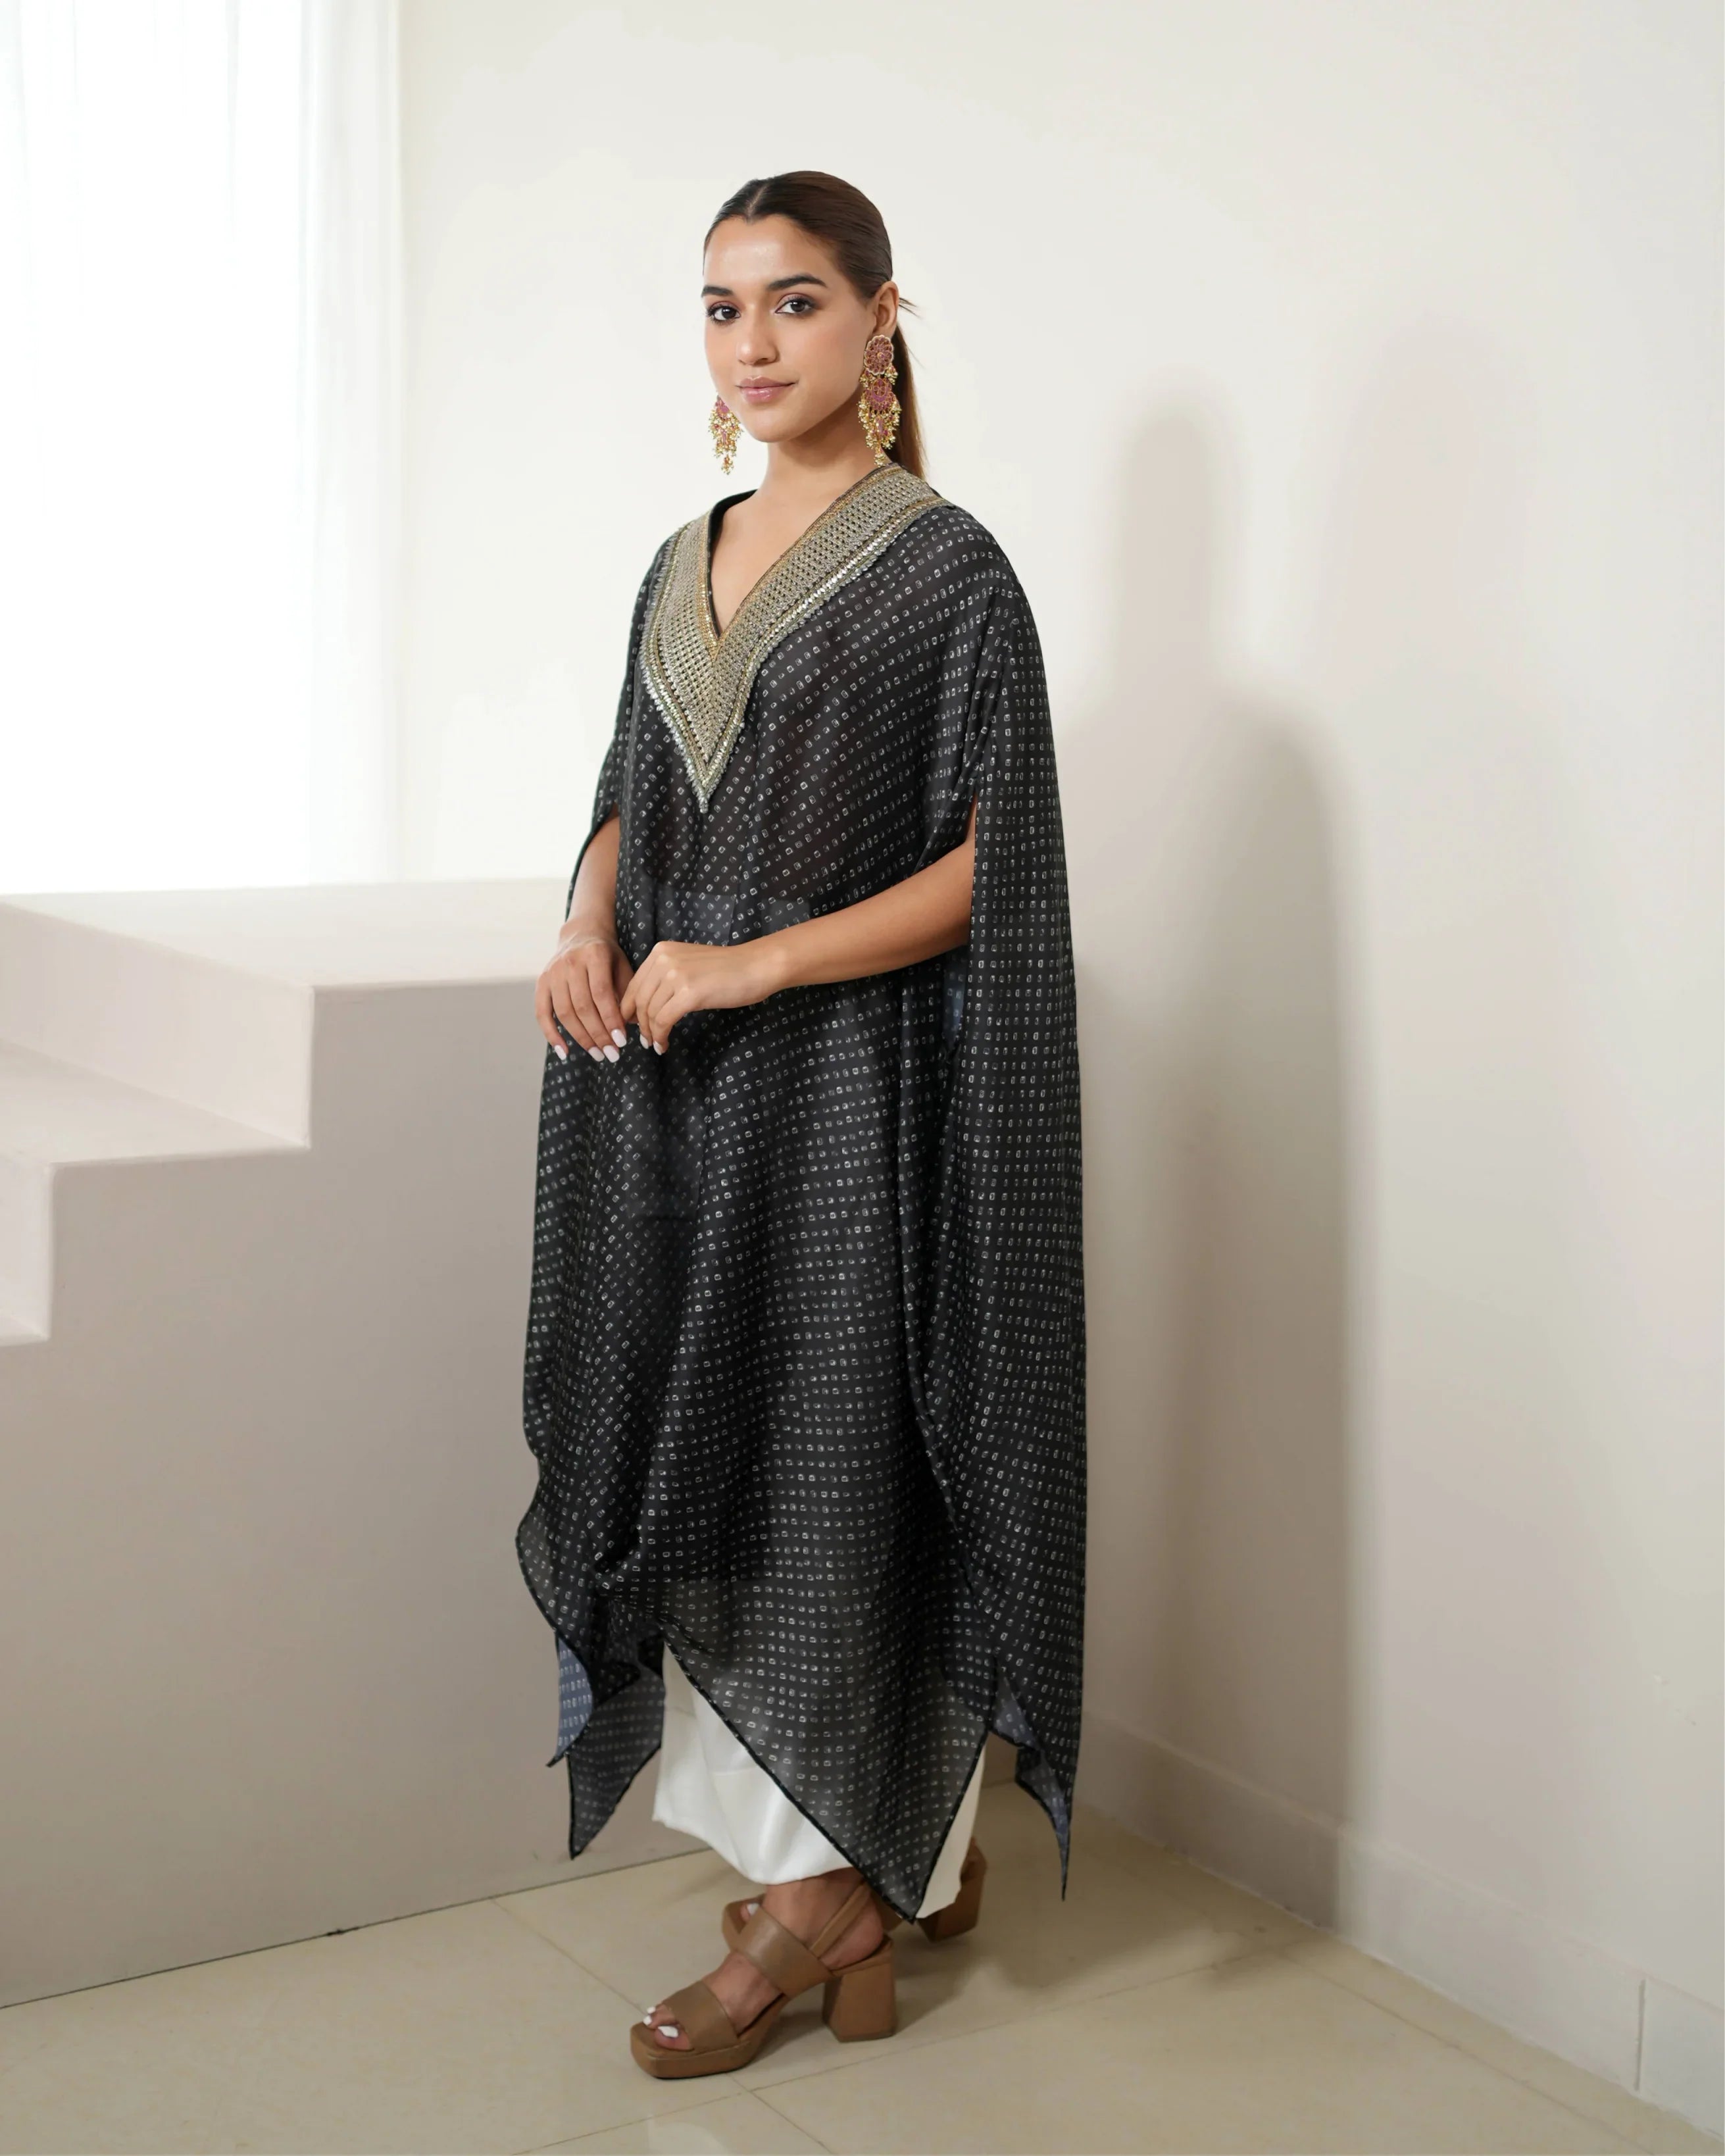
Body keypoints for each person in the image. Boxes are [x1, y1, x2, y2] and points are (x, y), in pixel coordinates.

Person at [518, 170, 1086, 2081]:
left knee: (830, 1458)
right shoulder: (678, 558)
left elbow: (1002, 866)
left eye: (795, 303)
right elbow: (631, 790)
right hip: (673, 1108)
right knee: (705, 1451)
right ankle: (904, 1841)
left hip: (852, 1103)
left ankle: (821, 1902)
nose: (752, 345)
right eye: (721, 307)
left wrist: (758, 963)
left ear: (879, 319)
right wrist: (586, 925)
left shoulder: (947, 569)